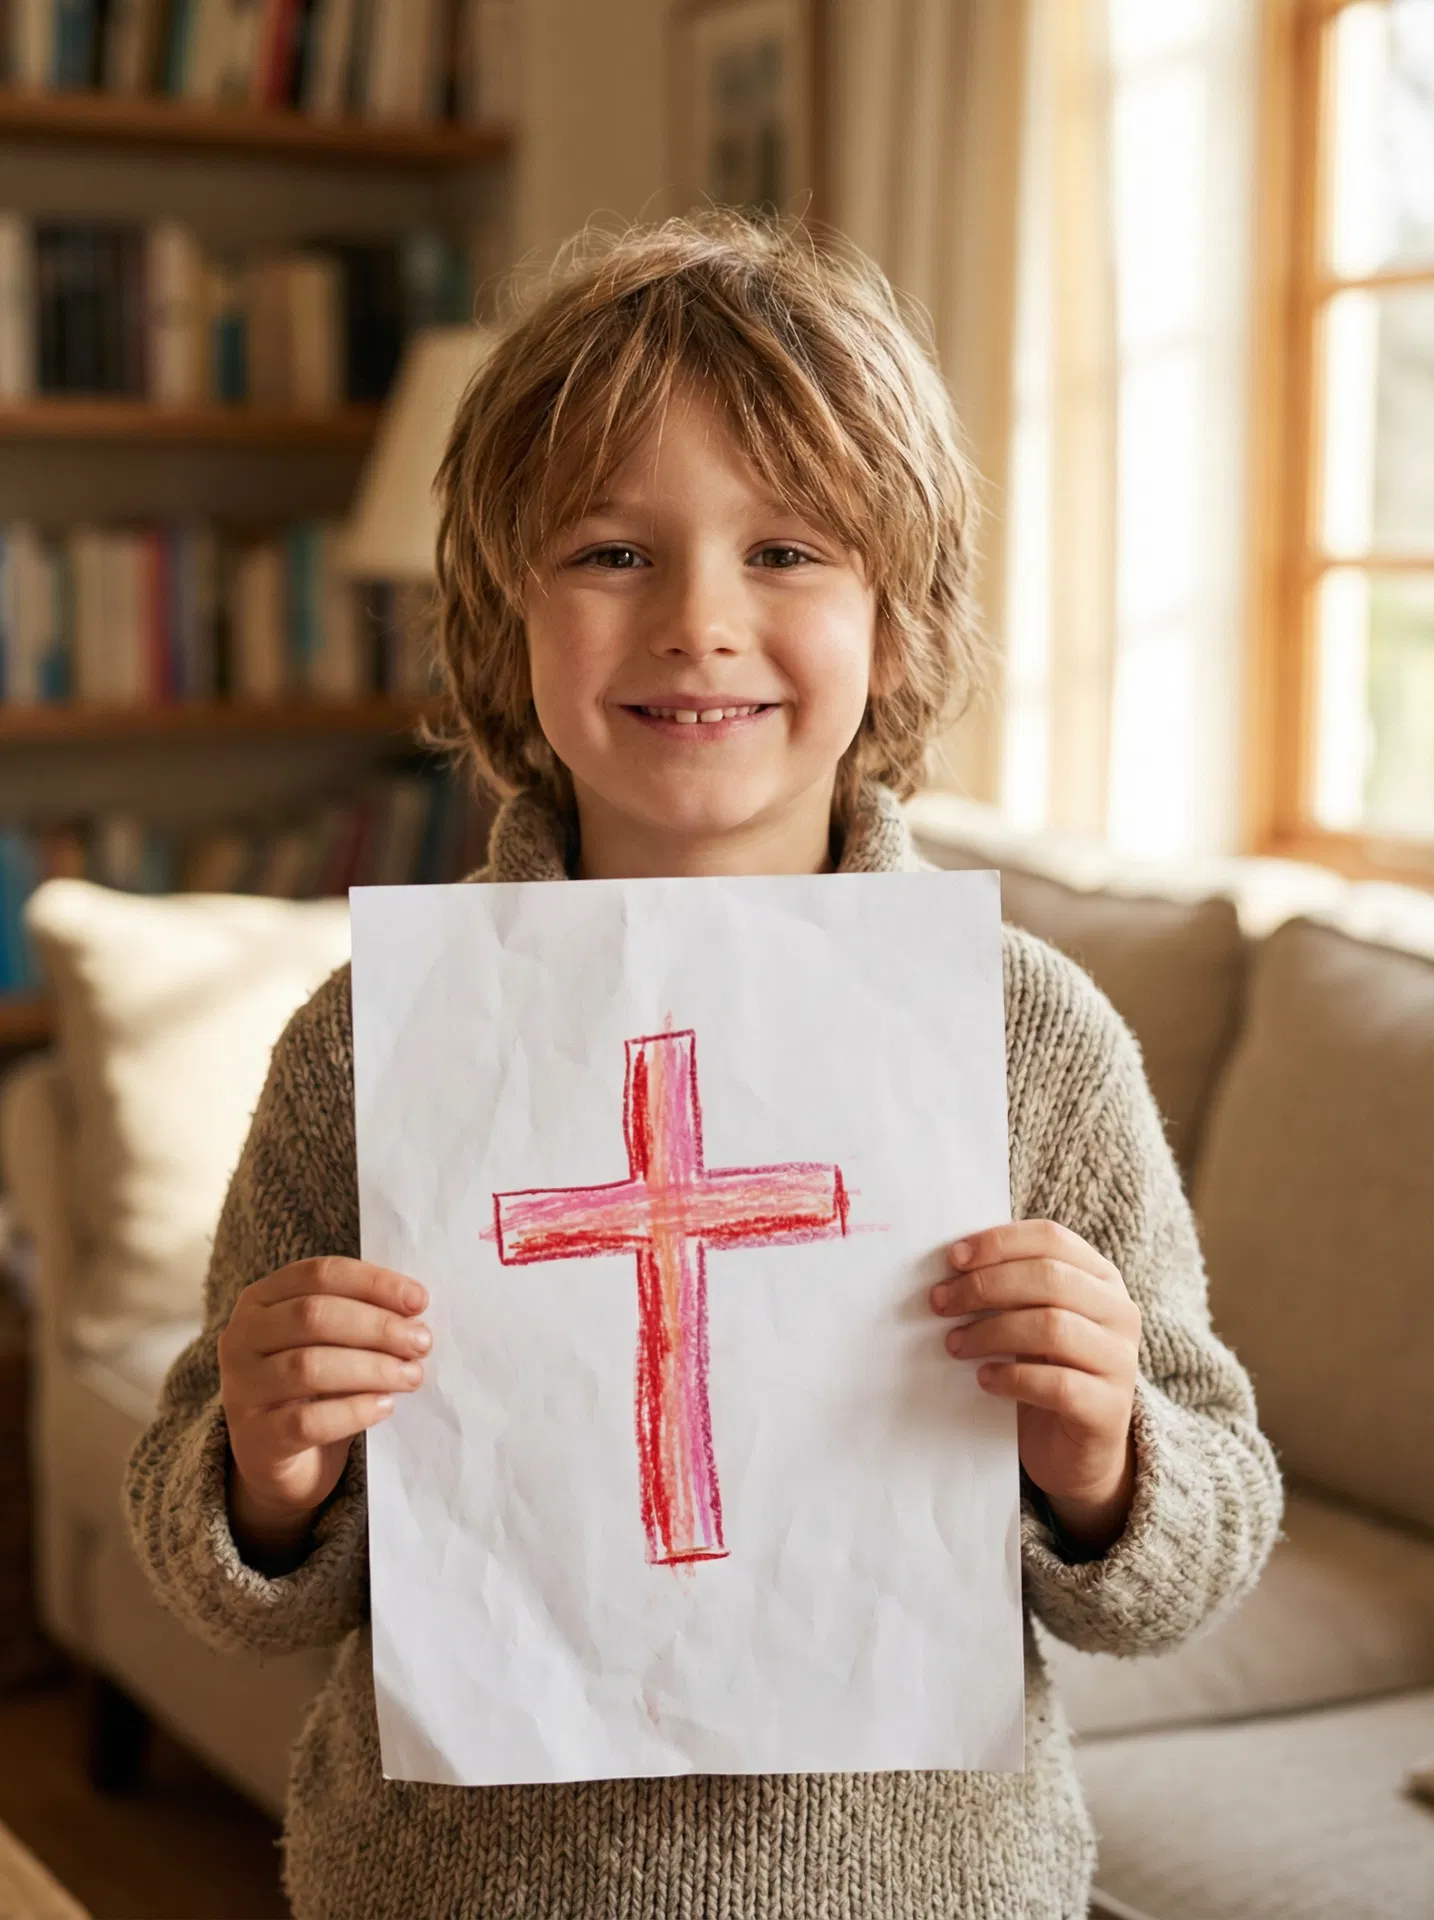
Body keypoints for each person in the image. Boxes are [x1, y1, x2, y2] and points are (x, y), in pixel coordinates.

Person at [124, 211, 1282, 1919]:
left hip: (925, 1890)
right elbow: (224, 1569)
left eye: (789, 551)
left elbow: (1190, 1550)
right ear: (502, 607)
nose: (697, 622)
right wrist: (267, 1470)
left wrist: (1103, 1453)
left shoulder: (1023, 1033)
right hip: (449, 1886)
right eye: (609, 553)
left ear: (896, 620)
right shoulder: (372, 1037)